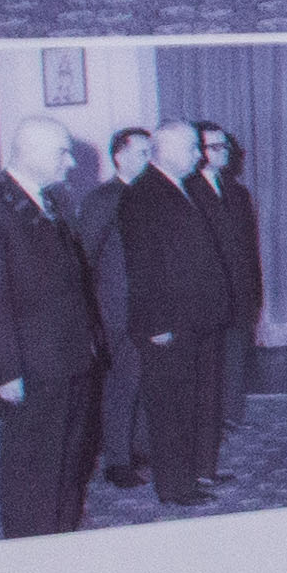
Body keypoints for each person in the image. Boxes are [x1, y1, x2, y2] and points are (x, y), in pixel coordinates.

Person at [0, 118, 102, 535]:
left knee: (68, 465)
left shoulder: (48, 202)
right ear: (32, 152)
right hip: (33, 366)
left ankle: (59, 538)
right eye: (62, 152)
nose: (71, 163)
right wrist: (4, 371)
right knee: (32, 470)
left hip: (69, 358)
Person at [105, 118, 234, 506]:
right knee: (170, 408)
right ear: (168, 151)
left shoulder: (179, 187)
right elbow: (143, 267)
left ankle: (192, 474)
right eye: (192, 147)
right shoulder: (143, 194)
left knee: (191, 401)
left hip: (193, 320)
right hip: (168, 324)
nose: (199, 155)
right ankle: (175, 487)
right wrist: (156, 324)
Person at [86, 126, 164, 486]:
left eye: (151, 151)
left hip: (149, 306)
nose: (149, 159)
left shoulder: (151, 195)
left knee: (146, 379)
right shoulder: (105, 198)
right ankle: (116, 462)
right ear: (119, 156)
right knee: (122, 384)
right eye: (142, 152)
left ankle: (142, 448)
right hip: (118, 308)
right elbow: (85, 256)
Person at [193, 122, 264, 465]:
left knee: (235, 355)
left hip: (238, 291)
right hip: (205, 295)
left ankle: (229, 415)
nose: (223, 153)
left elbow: (248, 249)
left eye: (225, 147)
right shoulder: (188, 191)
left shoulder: (238, 193)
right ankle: (207, 421)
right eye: (214, 147)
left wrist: (253, 290)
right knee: (206, 363)